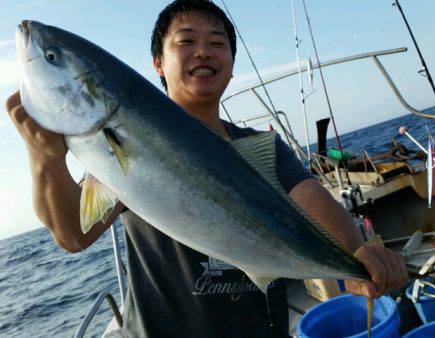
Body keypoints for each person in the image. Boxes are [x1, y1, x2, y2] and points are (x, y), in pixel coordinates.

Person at [6, 1, 408, 337]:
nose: (203, 51)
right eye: (186, 42)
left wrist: (357, 254)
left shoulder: (260, 147)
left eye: (217, 43)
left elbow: (311, 197)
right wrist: (45, 157)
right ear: (158, 63)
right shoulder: (112, 150)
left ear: (231, 64)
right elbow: (74, 236)